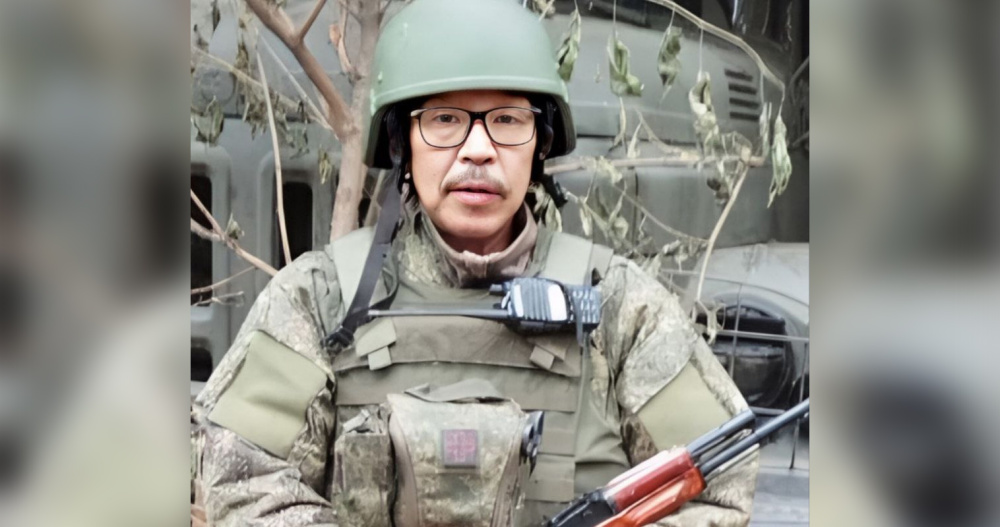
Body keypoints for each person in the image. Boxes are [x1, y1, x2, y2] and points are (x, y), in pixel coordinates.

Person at [192, 0, 758, 525]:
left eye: (508, 120)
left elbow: (720, 484)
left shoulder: (617, 307)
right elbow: (242, 482)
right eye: (444, 120)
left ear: (540, 142)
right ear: (401, 141)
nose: (479, 149)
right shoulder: (320, 299)